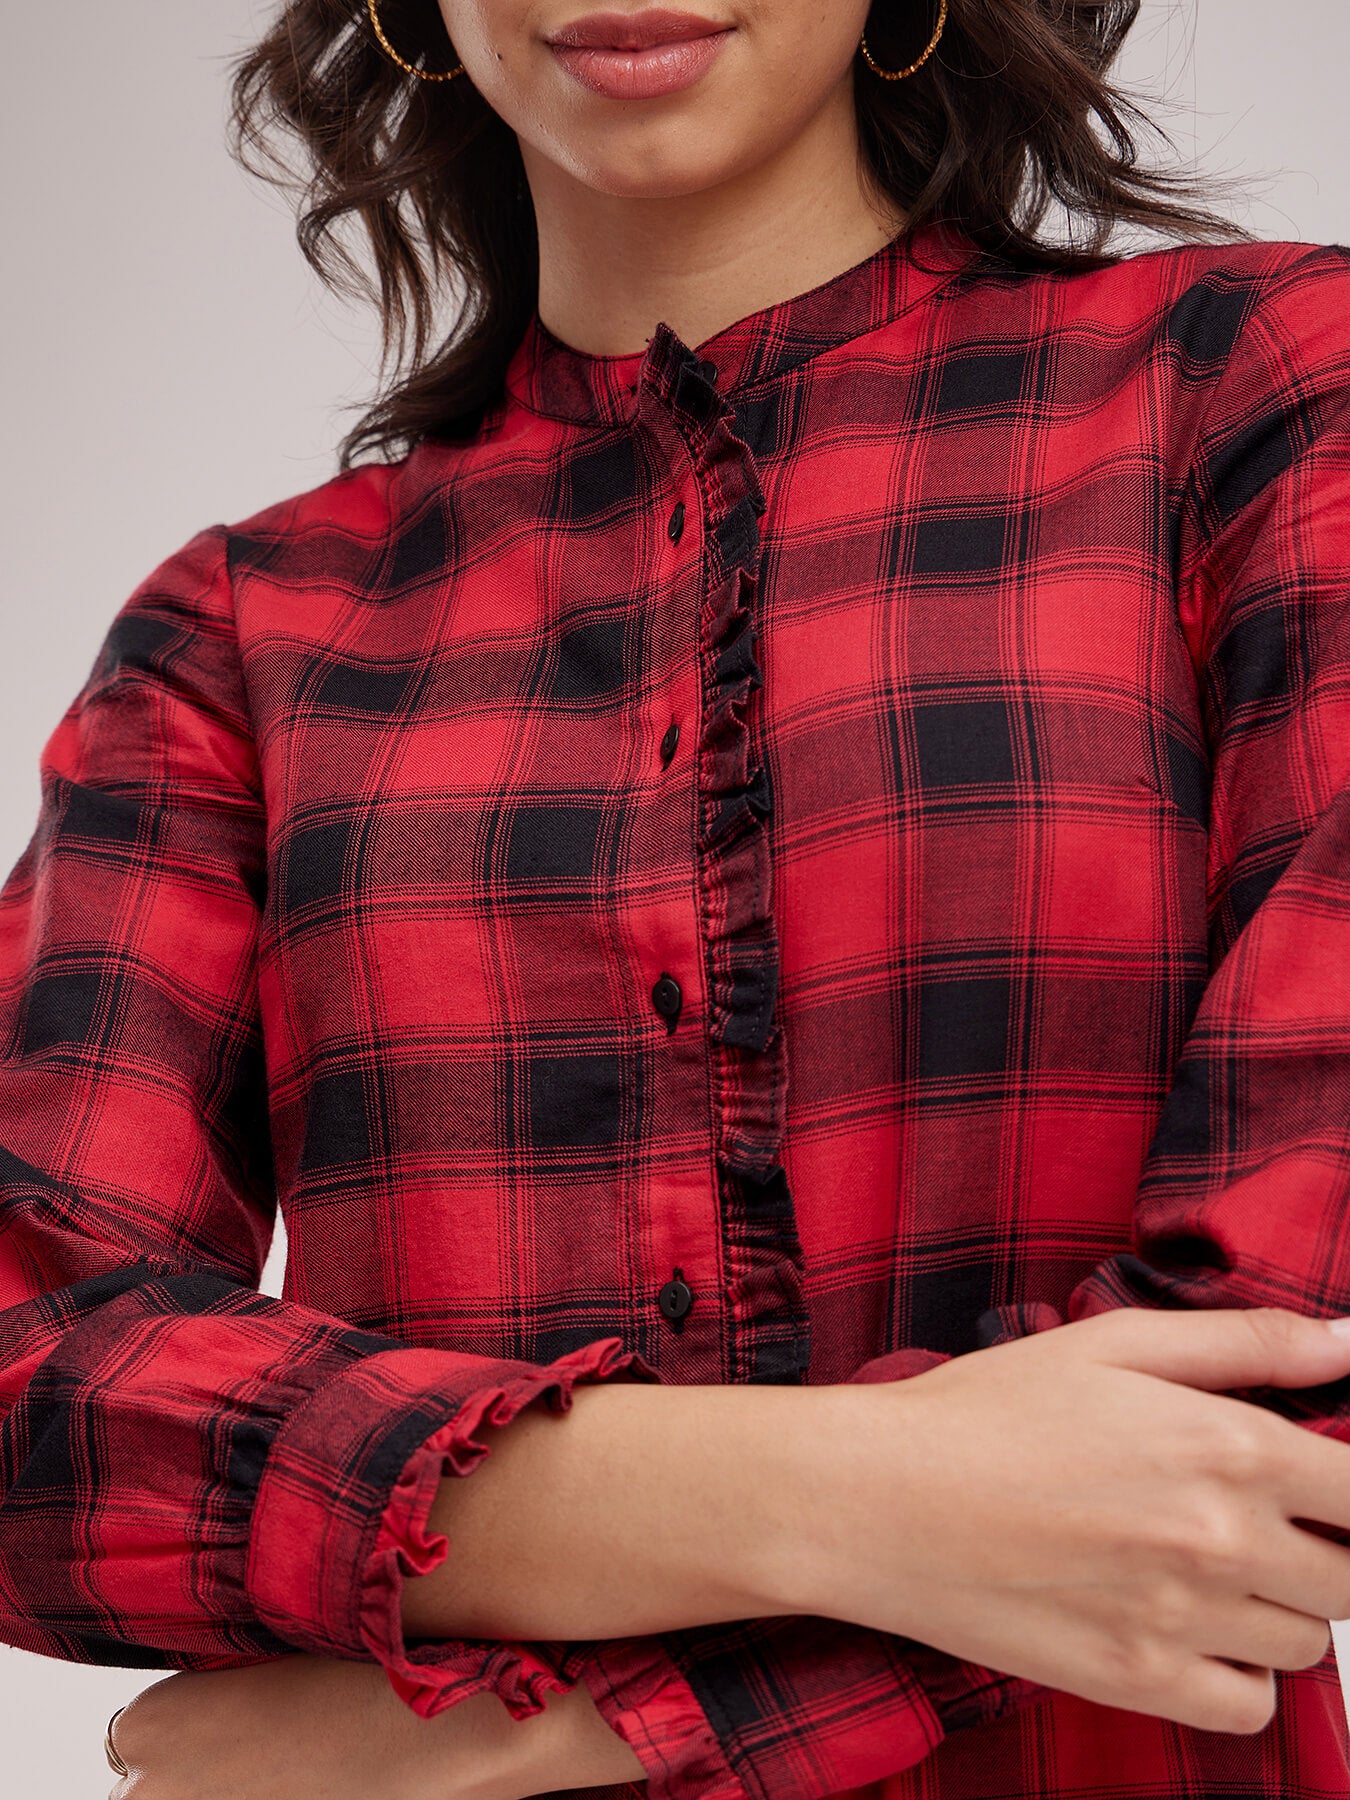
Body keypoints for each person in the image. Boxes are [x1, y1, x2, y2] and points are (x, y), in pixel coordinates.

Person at [3, 1, 1350, 1796]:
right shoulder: (246, 635)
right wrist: (867, 1502)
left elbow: (1293, 1356)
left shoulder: (1258, 390)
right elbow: (30, 1401)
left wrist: (512, 1728)